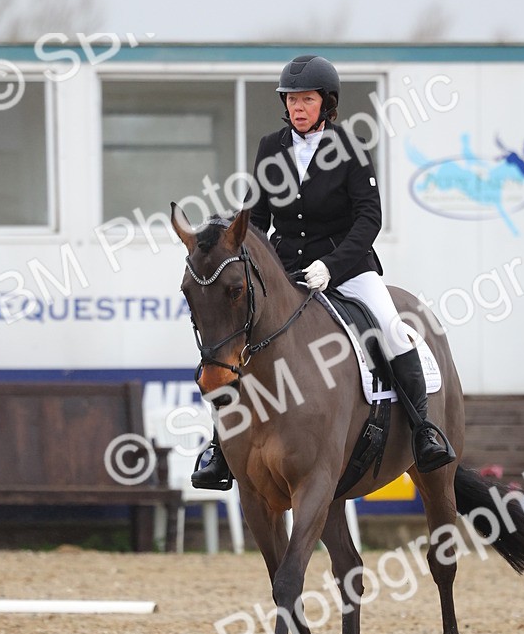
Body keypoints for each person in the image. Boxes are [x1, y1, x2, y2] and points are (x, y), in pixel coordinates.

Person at [191, 54, 455, 490]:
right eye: (291, 99)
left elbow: (369, 218)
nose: (297, 107)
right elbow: (256, 221)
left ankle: (424, 430)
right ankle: (220, 447)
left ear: (326, 103)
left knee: (391, 329)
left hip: (347, 267)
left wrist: (331, 267)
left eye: (306, 99)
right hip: (286, 270)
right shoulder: (271, 148)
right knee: (236, 344)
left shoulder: (349, 147)